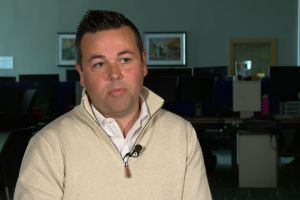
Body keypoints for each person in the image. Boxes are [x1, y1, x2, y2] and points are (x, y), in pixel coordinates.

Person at [14, 10, 212, 200]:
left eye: (125, 60)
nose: (114, 74)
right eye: (99, 64)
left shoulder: (182, 134)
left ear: (143, 63)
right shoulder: (48, 145)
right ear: (81, 73)